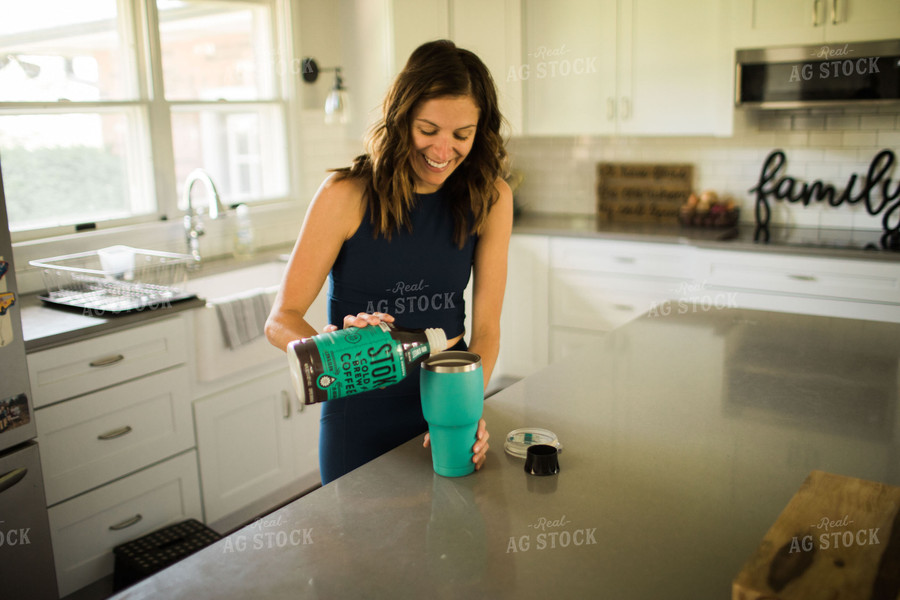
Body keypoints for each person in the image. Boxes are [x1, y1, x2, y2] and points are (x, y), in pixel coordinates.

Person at [265, 39, 513, 485]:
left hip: (448, 402)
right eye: (428, 129)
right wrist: (332, 351)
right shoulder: (346, 195)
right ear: (401, 119)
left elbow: (488, 331)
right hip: (360, 416)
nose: (442, 151)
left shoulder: (491, 198)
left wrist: (467, 406)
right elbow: (280, 319)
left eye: (462, 135)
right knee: (363, 551)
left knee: (453, 542)